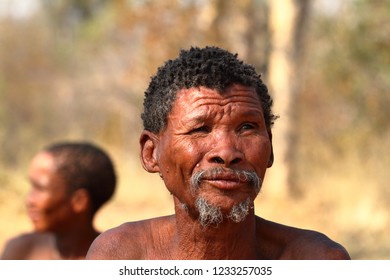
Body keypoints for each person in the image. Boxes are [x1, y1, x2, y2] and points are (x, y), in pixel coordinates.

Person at [86, 46, 350, 260]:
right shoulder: (121, 256)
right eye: (200, 129)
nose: (226, 152)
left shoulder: (315, 261)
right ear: (151, 153)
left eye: (247, 128)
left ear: (270, 149)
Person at [1, 141, 116, 260]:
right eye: (32, 186)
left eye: (40, 188)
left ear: (79, 201)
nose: (29, 200)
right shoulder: (20, 251)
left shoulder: (114, 257)